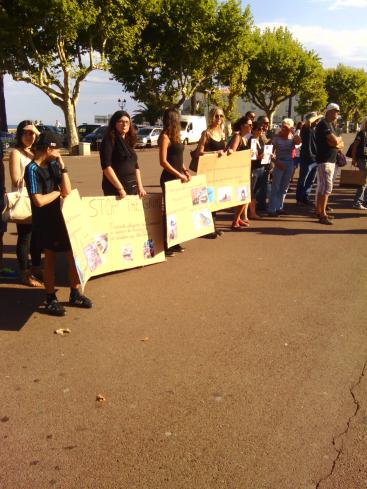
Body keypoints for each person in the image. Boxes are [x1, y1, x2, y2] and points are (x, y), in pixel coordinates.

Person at [24, 132, 92, 316]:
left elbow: (67, 190)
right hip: (45, 221)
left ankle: (75, 293)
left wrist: (63, 166)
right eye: (57, 149)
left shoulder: (54, 164)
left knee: (72, 256)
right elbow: (38, 200)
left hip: (62, 217)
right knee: (50, 260)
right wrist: (57, 193)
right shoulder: (32, 169)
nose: (58, 153)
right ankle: (50, 298)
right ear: (48, 149)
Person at [9, 121, 43, 286]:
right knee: (25, 238)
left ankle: (36, 267)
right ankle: (25, 273)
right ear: (20, 135)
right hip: (25, 199)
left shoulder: (36, 151)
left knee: (37, 237)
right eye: (26, 133)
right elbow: (16, 179)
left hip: (39, 198)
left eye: (33, 133)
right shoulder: (16, 153)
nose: (30, 136)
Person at [159, 108, 191, 256]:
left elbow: (179, 158)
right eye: (177, 118)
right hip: (169, 179)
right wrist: (179, 174)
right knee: (170, 212)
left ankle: (175, 241)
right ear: (173, 120)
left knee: (178, 211)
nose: (179, 121)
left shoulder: (177, 136)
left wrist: (185, 170)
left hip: (179, 178)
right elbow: (163, 162)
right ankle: (166, 244)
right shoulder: (165, 137)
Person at [99, 110, 146, 198]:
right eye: (121, 122)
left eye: (127, 122)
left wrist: (140, 187)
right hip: (115, 189)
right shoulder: (109, 140)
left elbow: (136, 166)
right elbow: (106, 166)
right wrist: (120, 188)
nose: (124, 125)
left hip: (132, 188)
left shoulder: (129, 141)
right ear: (114, 123)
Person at [197, 106, 226, 238]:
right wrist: (215, 153)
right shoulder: (206, 133)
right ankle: (206, 229)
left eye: (221, 116)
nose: (219, 118)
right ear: (211, 117)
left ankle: (213, 226)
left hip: (218, 171)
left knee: (215, 200)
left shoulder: (222, 133)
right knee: (207, 199)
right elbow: (199, 152)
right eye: (216, 116)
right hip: (206, 171)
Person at [315, 103, 344, 225]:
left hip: (331, 160)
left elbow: (339, 143)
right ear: (329, 111)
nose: (337, 113)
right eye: (336, 111)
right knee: (326, 187)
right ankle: (322, 214)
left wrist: (336, 142)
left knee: (325, 187)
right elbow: (335, 141)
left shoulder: (332, 125)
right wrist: (336, 142)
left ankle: (321, 211)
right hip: (324, 160)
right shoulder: (323, 124)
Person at [267, 118, 301, 217]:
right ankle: (272, 209)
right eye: (283, 126)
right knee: (276, 186)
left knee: (284, 187)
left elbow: (299, 142)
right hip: (279, 163)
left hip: (289, 163)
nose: (284, 129)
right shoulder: (276, 138)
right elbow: (269, 152)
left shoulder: (293, 137)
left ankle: (279, 207)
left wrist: (293, 132)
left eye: (286, 127)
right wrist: (276, 162)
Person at [227, 116, 253, 229]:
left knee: (245, 197)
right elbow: (232, 152)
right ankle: (235, 221)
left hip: (243, 170)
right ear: (243, 126)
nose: (251, 127)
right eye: (249, 125)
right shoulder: (237, 137)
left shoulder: (244, 138)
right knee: (242, 196)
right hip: (237, 172)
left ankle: (237, 219)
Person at [296, 112, 322, 206]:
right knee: (303, 179)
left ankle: (305, 196)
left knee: (311, 180)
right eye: (316, 120)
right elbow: (308, 122)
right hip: (306, 157)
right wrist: (319, 115)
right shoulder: (306, 128)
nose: (318, 121)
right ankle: (299, 198)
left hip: (315, 158)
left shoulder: (317, 130)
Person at [351, 117, 367, 210]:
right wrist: (354, 159)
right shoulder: (361, 133)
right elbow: (355, 146)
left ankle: (364, 201)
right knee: (363, 182)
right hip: (362, 160)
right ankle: (357, 202)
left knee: (365, 182)